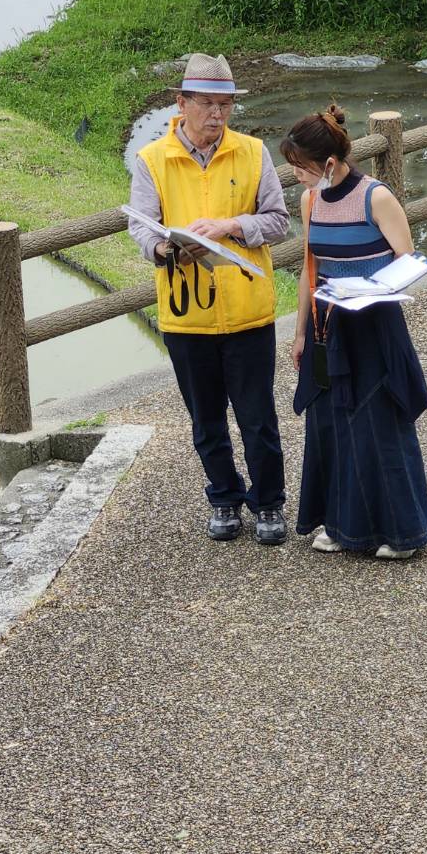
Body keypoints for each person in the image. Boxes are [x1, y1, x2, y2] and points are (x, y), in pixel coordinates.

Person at [126, 53, 291, 545]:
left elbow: (278, 221)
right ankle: (223, 497)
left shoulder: (253, 152)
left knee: (258, 417)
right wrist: (163, 246)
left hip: (247, 310)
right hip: (185, 311)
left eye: (226, 105)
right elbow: (140, 224)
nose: (217, 116)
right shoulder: (152, 159)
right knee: (206, 420)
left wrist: (232, 226)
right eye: (208, 105)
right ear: (182, 104)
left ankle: (269, 504)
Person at [283, 105, 427, 560]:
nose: (298, 178)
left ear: (329, 163)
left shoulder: (376, 198)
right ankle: (338, 523)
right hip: (329, 325)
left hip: (374, 321)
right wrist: (299, 334)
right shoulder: (310, 201)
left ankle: (402, 533)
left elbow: (407, 264)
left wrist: (370, 287)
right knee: (326, 423)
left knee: (378, 423)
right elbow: (310, 272)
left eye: (302, 169)